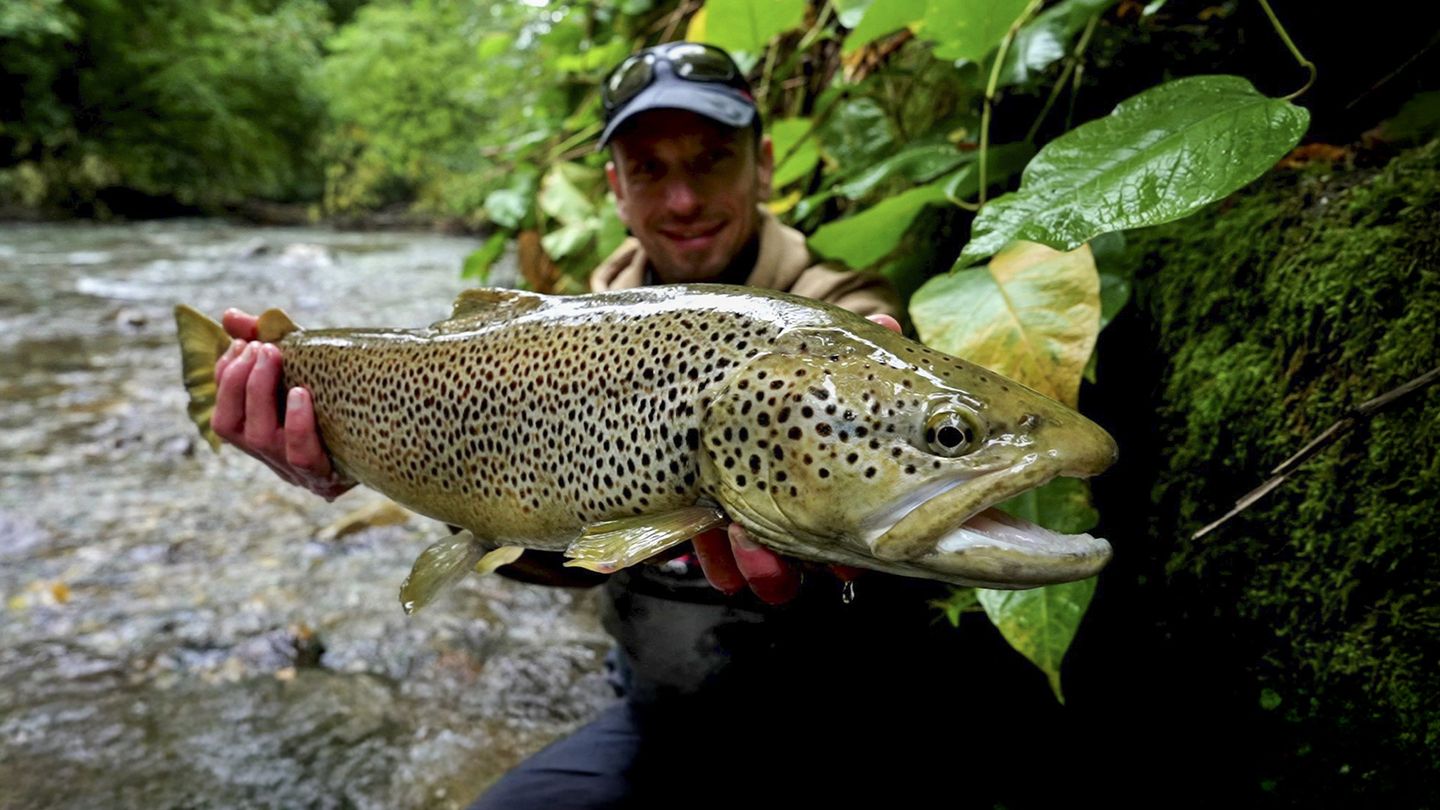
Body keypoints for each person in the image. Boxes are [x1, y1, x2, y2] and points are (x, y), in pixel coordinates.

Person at [212, 42, 1084, 808]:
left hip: (842, 721)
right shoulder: (560, 341)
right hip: (655, 720)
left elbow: (898, 542)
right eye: (650, 169)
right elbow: (568, 565)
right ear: (615, 190)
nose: (682, 199)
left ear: (763, 164)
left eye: (710, 161)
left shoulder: (847, 321)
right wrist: (370, 461)